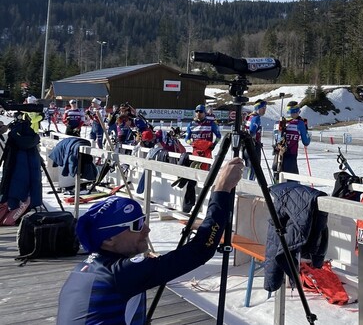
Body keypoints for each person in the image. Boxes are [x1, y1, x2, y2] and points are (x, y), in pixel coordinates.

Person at [57, 158, 244, 324]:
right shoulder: (121, 273)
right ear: (109, 239)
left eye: (144, 220)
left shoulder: (85, 268)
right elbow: (201, 250)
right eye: (136, 225)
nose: (147, 229)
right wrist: (222, 189)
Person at [274, 101, 310, 174]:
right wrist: (306, 131)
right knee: (292, 180)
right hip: (291, 154)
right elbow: (306, 141)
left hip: (278, 155)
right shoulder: (299, 123)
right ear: (296, 111)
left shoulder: (279, 122)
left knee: (278, 179)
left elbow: (275, 137)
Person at [244, 100, 267, 178]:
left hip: (246, 146)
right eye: (263, 108)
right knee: (253, 170)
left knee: (247, 168)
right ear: (258, 108)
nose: (265, 110)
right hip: (253, 147)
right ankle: (249, 187)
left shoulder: (249, 116)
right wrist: (255, 141)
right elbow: (252, 132)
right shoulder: (256, 118)